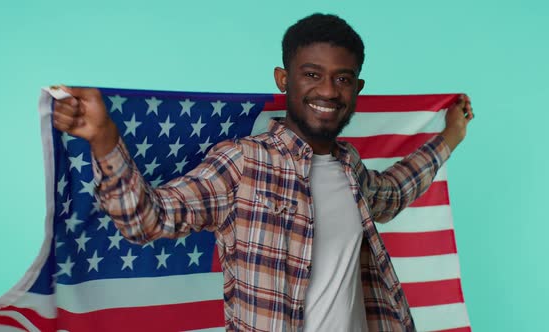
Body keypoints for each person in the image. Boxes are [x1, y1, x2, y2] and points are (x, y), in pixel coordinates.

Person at [52, 13, 473, 332]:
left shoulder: (350, 169)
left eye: (342, 78)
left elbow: (394, 192)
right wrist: (105, 139)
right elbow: (148, 220)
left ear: (356, 89)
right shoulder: (243, 163)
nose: (327, 91)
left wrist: (450, 137)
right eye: (312, 74)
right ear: (284, 78)